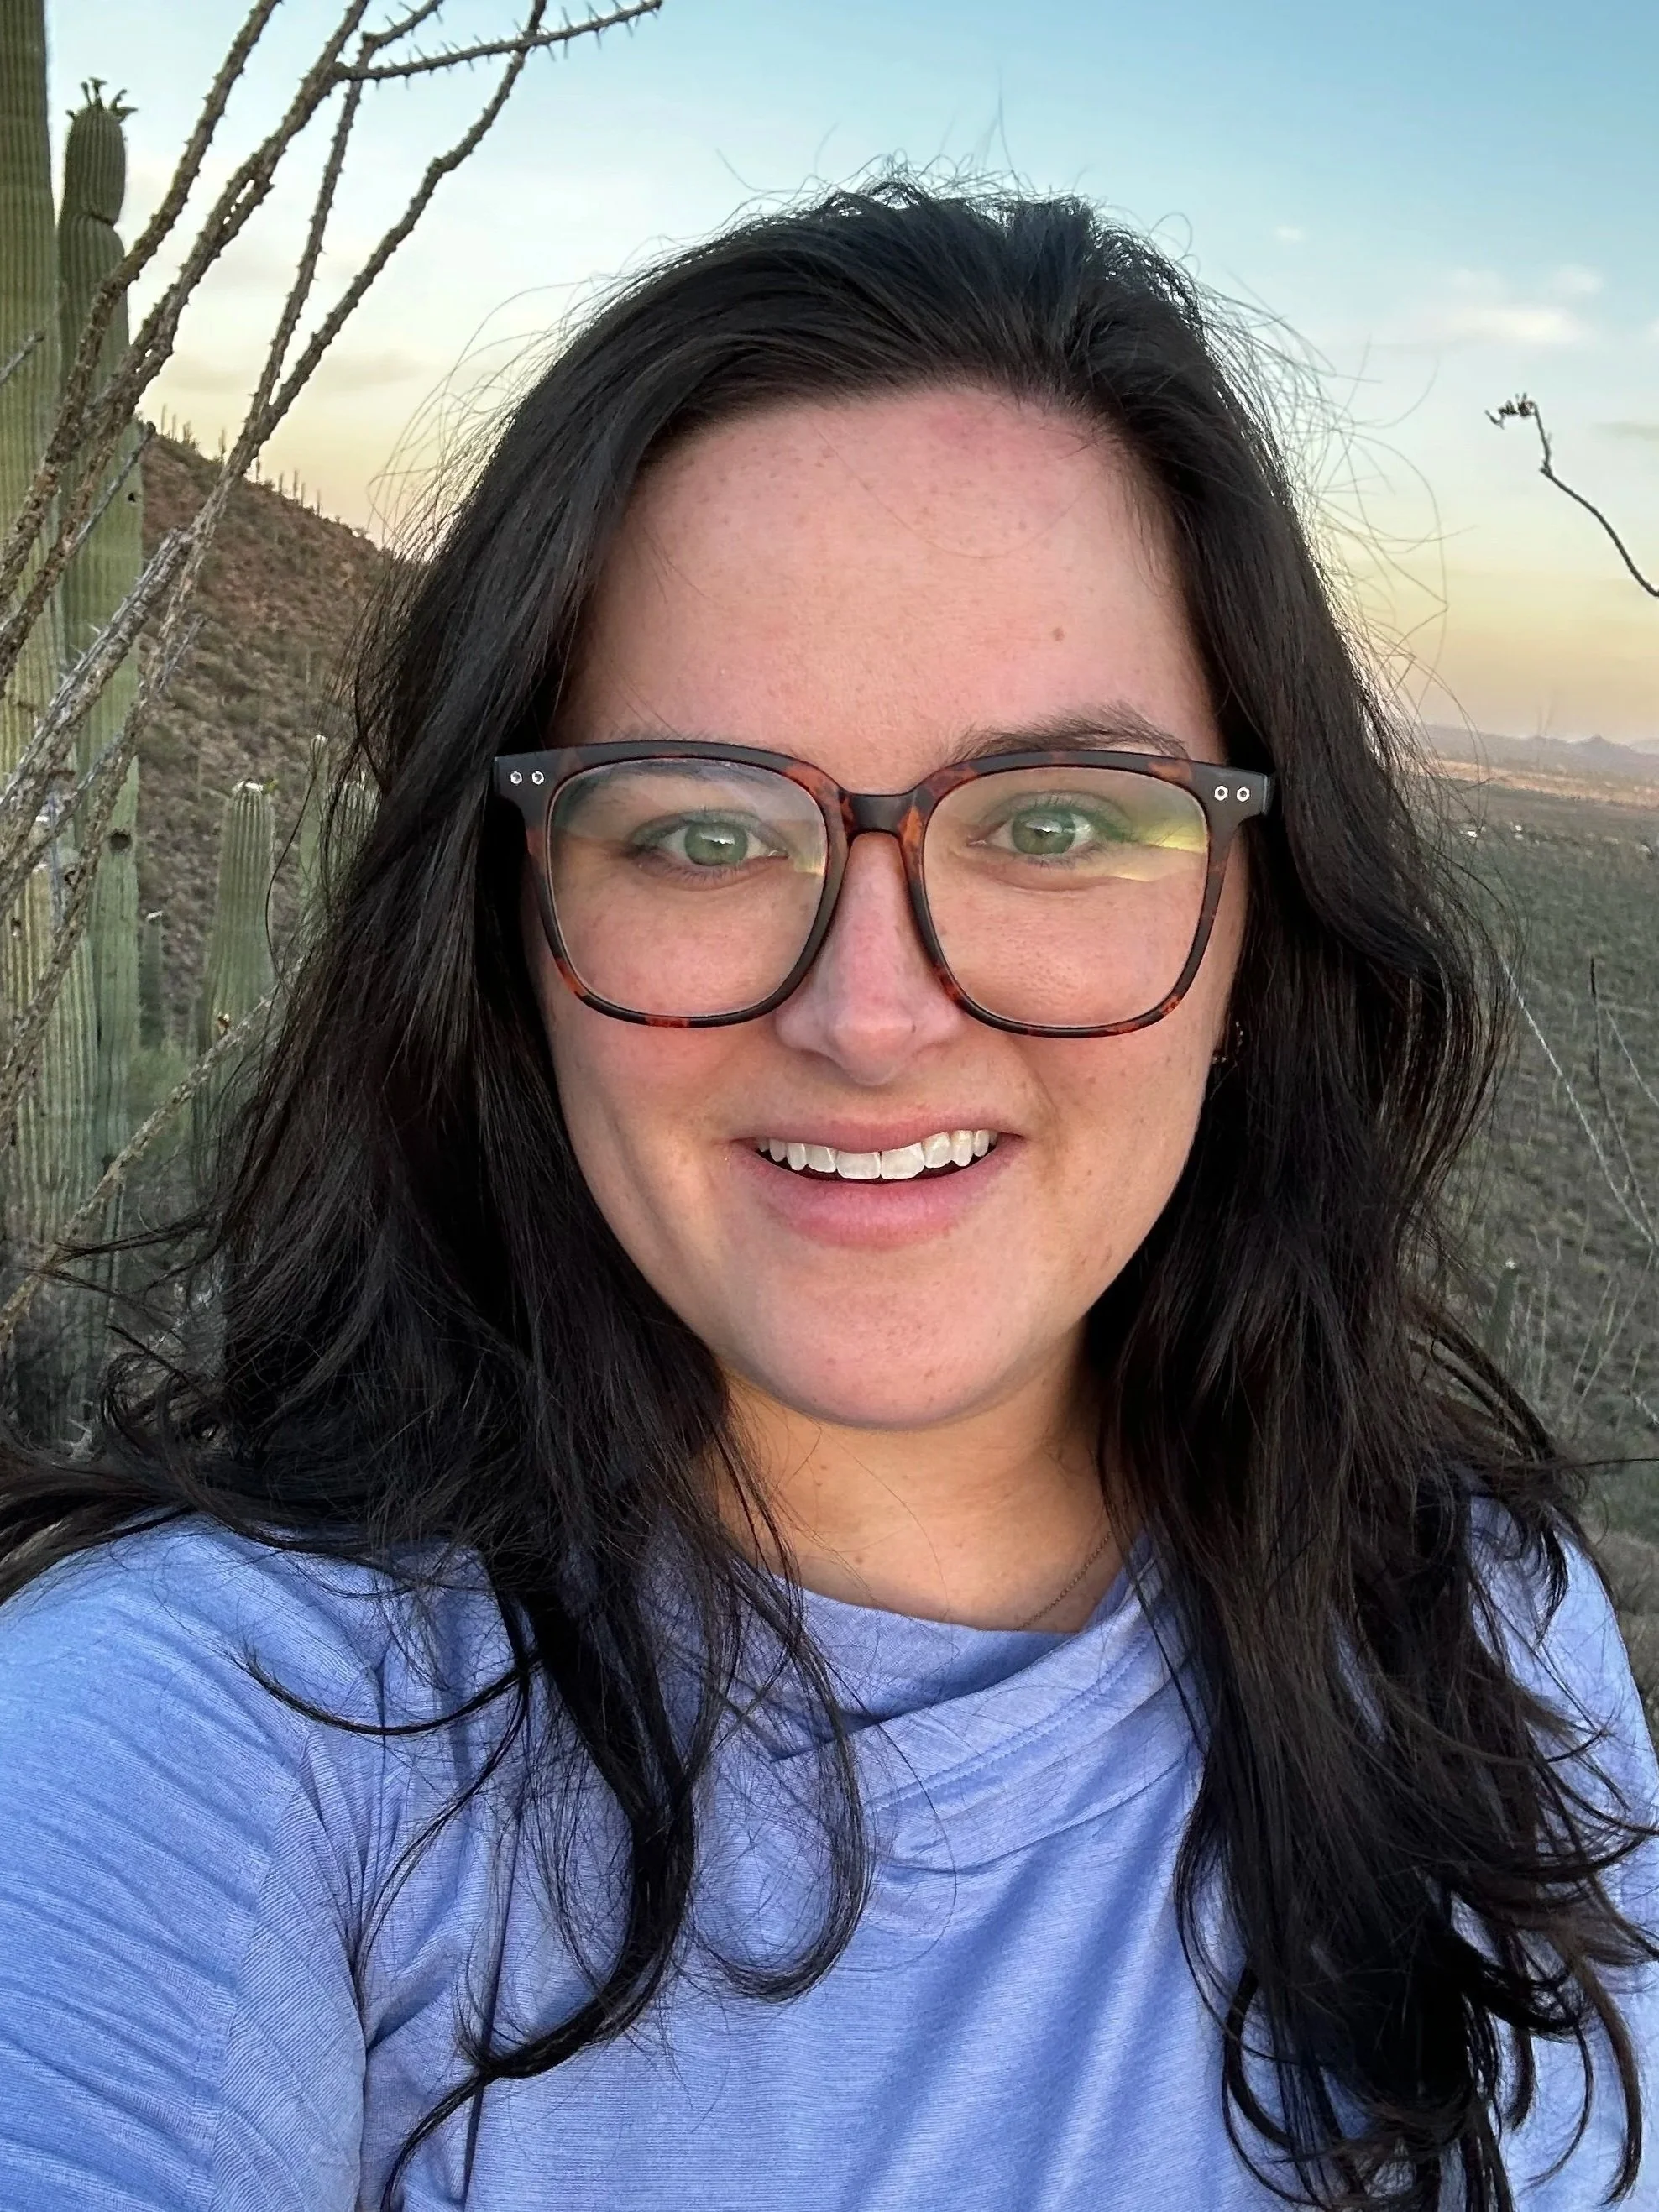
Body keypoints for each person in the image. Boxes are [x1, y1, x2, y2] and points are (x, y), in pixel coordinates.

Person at [0, 181, 1653, 2212]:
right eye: (700, 833)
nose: (872, 1017)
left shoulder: (1475, 1633)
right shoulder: (187, 1758)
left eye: (1056, 820)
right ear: (513, 932)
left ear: (1258, 929)